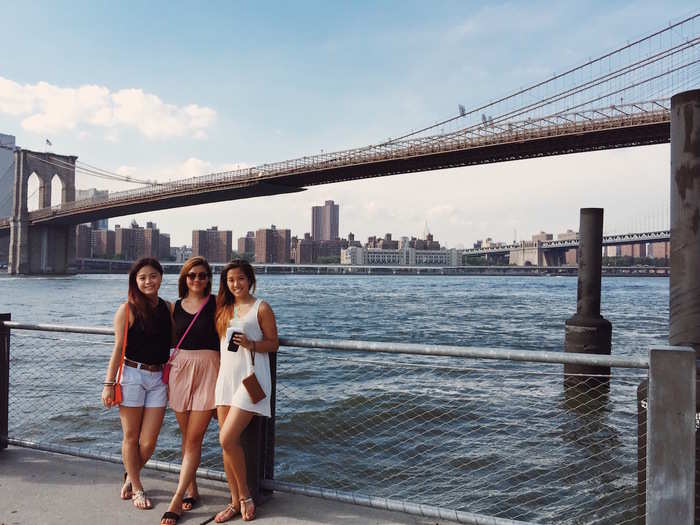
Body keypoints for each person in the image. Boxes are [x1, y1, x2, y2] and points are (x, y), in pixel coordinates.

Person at [102, 257, 172, 511]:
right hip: (132, 375)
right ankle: (137, 486)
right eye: (142, 277)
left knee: (149, 441)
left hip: (158, 378)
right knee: (131, 437)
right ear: (135, 281)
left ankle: (130, 476)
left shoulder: (169, 308)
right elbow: (118, 348)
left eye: (153, 276)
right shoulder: (127, 310)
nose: (148, 281)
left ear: (161, 278)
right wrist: (109, 383)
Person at [213, 260, 279, 523]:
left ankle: (245, 496)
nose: (236, 284)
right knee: (228, 445)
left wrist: (252, 344)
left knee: (227, 439)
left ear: (250, 280)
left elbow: (273, 344)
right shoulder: (224, 308)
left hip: (251, 379)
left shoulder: (261, 307)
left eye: (240, 279)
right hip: (226, 379)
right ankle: (233, 501)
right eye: (230, 280)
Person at [161, 257, 220, 525]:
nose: (198, 280)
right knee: (186, 436)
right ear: (184, 278)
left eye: (203, 275)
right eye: (192, 275)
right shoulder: (173, 308)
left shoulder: (218, 303)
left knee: (195, 438)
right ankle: (192, 488)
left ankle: (177, 498)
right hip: (181, 369)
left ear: (209, 278)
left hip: (210, 369)